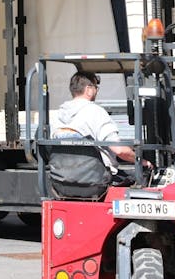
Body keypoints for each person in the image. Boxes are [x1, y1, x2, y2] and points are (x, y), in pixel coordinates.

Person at [48, 70, 135, 200]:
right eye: (96, 87)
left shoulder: (56, 116)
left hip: (61, 181)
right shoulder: (96, 112)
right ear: (88, 90)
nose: (96, 91)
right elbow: (119, 150)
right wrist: (140, 160)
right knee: (139, 177)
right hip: (97, 182)